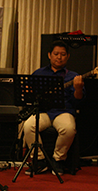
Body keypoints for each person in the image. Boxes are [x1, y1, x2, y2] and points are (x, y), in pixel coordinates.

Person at [23, 40, 85, 176]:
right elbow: (29, 94)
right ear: (49, 55)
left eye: (63, 54)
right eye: (56, 54)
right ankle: (39, 160)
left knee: (69, 129)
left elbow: (77, 101)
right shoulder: (39, 73)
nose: (59, 57)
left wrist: (78, 89)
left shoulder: (73, 76)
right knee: (28, 126)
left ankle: (58, 159)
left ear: (68, 56)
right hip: (43, 111)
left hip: (64, 111)